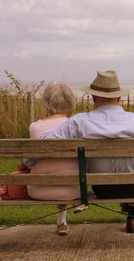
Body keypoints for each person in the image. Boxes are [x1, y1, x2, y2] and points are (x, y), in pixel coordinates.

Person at [40, 70, 134, 233]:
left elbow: (44, 144)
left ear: (93, 98)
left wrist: (26, 161)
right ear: (119, 98)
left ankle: (132, 211)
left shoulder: (80, 121)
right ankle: (133, 212)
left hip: (103, 189)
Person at [26, 82, 85, 236]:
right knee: (68, 169)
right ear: (71, 103)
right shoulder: (77, 126)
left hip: (38, 190)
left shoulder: (35, 127)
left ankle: (62, 222)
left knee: (55, 168)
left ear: (46, 103)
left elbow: (30, 161)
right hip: (75, 191)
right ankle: (62, 221)